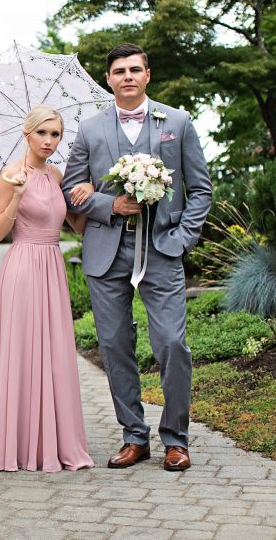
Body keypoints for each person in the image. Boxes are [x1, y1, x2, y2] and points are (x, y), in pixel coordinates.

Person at [62, 43, 211, 472]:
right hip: (107, 250)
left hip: (163, 248)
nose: (126, 76)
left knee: (171, 344)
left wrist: (183, 239)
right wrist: (111, 206)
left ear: (147, 75)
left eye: (134, 69)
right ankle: (134, 437)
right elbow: (71, 191)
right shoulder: (89, 130)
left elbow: (200, 189)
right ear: (108, 79)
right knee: (114, 346)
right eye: (118, 71)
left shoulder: (176, 122)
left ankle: (176, 439)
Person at [0, 105, 95, 473]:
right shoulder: (10, 174)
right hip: (24, 266)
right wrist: (16, 194)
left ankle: (53, 442)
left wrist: (90, 191)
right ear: (27, 134)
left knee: (55, 353)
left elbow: (76, 224)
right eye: (42, 133)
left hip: (52, 268)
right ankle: (18, 444)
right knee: (24, 350)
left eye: (55, 134)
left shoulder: (58, 175)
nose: (48, 141)